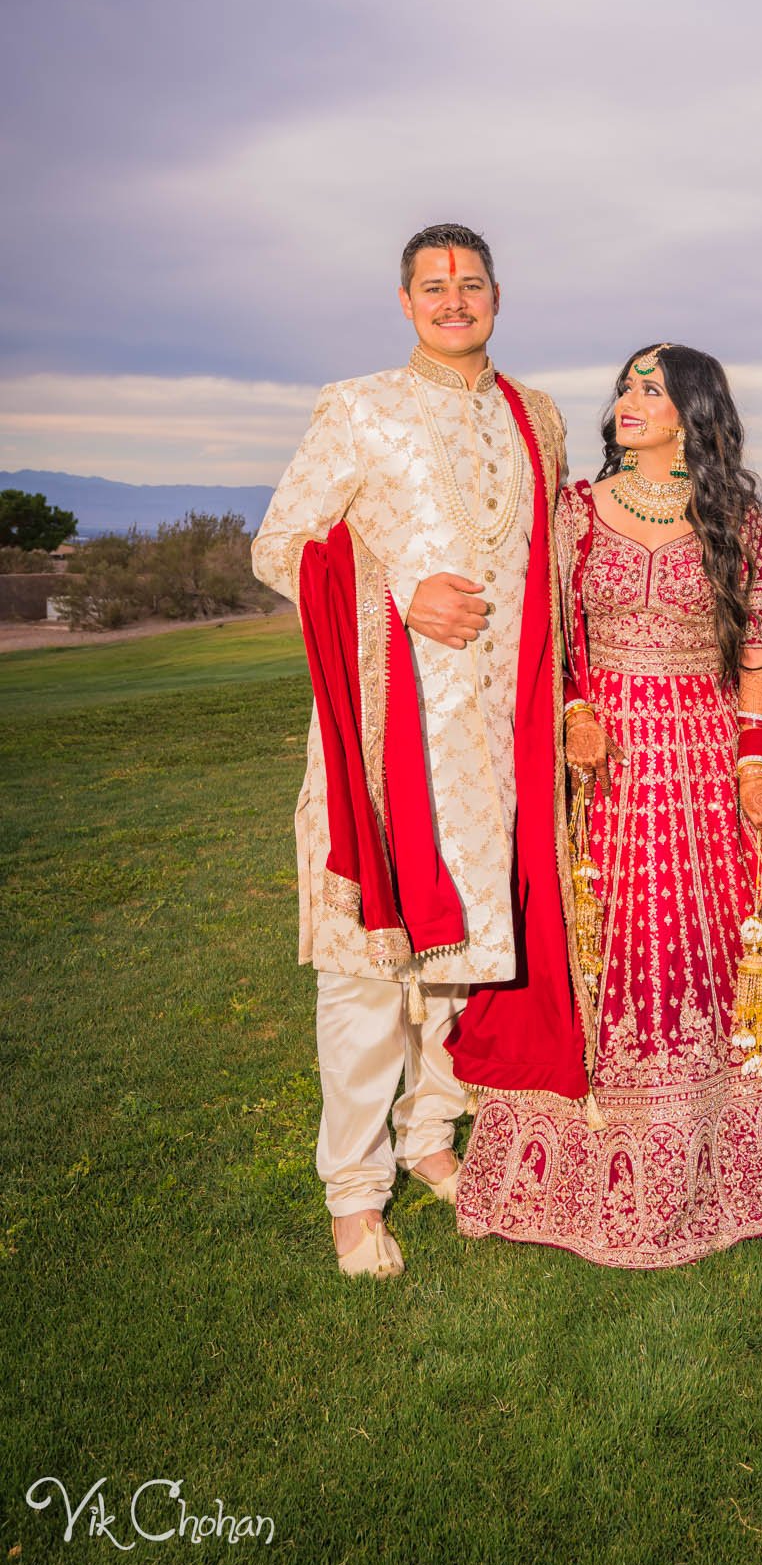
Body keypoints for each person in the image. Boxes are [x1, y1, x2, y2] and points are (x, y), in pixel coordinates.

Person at [457, 343, 762, 1266]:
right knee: (611, 938)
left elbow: (756, 660)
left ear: (692, 411)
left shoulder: (736, 516)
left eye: (651, 390)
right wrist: (577, 710)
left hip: (701, 758)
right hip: (608, 764)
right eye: (624, 385)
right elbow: (558, 636)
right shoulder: (575, 509)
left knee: (715, 943)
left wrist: (756, 765)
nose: (628, 400)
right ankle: (596, 1161)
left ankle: (734, 1153)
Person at [251, 224, 590, 1279]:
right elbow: (280, 546)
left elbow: (557, 568)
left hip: (502, 737)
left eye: (472, 282)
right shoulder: (358, 406)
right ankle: (353, 1194)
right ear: (405, 301)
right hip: (391, 730)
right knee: (368, 966)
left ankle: (431, 1135)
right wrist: (399, 590)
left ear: (497, 294)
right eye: (434, 286)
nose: (455, 300)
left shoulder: (538, 416)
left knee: (472, 957)